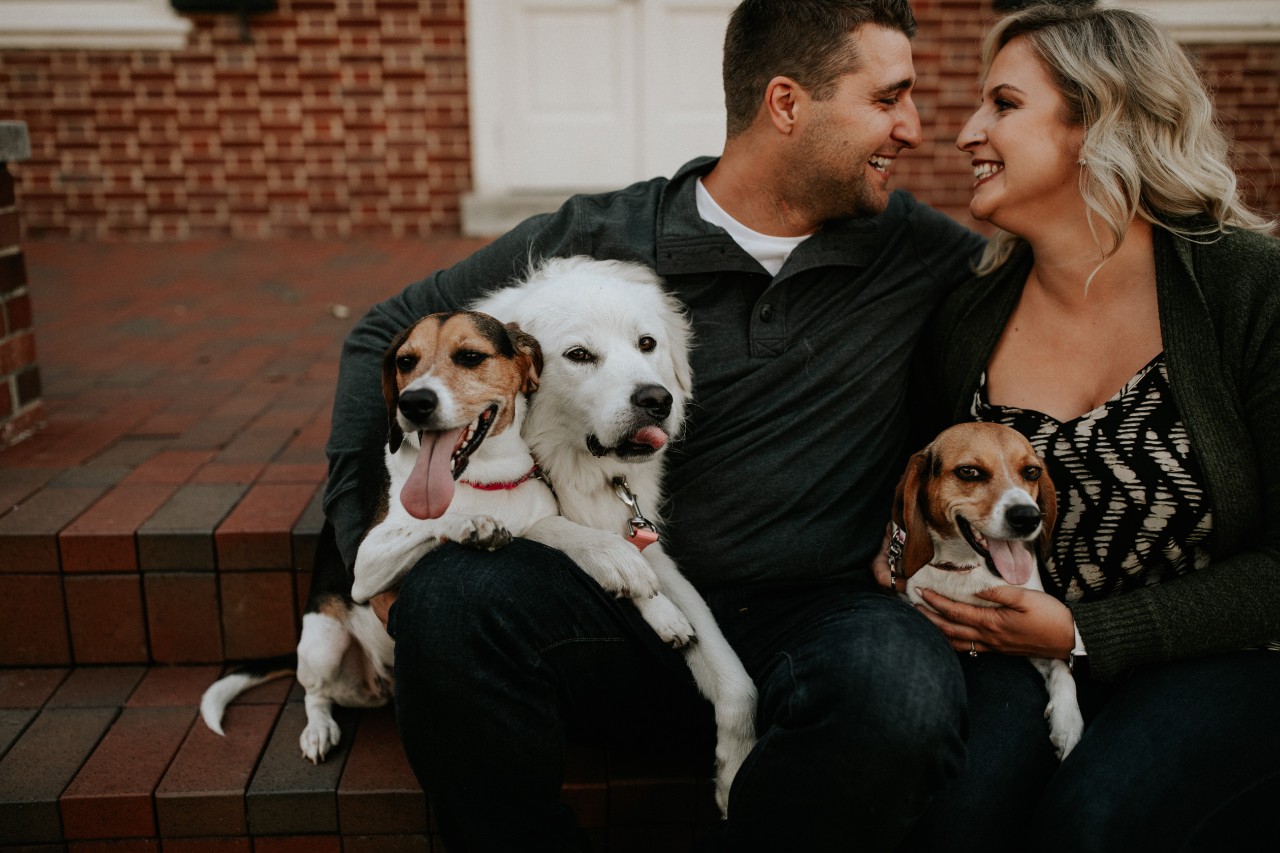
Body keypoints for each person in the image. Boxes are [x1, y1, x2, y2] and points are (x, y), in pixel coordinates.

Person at [324, 1, 985, 850]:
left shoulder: (917, 250)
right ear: (787, 104)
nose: (915, 128)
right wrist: (370, 545)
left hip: (819, 613)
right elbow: (385, 337)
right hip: (604, 600)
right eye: (888, 99)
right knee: (449, 602)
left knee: (904, 691)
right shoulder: (600, 235)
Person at [875, 4, 1280, 851]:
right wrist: (897, 555)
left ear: (1098, 123)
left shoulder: (1248, 288)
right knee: (953, 817)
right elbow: (919, 493)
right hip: (1017, 655)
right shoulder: (966, 318)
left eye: (1004, 105)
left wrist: (1088, 631)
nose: (968, 132)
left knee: (1091, 822)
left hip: (1227, 657)